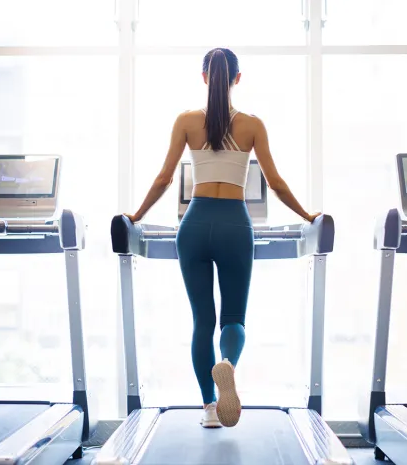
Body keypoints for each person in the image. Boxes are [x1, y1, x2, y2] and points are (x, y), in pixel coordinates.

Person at [124, 48, 320, 429]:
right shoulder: (252, 125)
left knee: (202, 321)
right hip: (234, 225)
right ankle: (226, 364)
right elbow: (276, 183)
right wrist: (308, 216)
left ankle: (210, 409)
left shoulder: (185, 121)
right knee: (233, 317)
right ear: (237, 78)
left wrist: (135, 217)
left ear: (203, 77)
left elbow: (164, 179)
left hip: (194, 224)